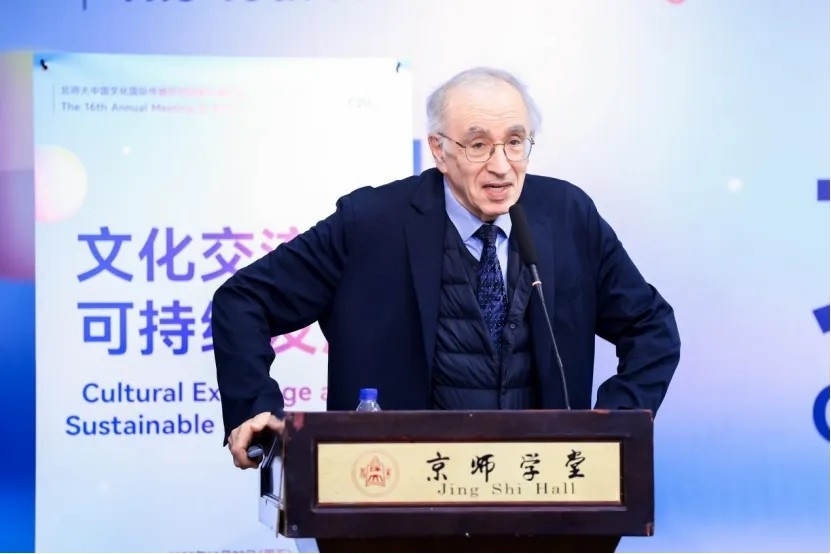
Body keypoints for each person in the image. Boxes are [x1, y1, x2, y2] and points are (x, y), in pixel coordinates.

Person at [211, 66, 681, 471]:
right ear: (439, 149)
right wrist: (255, 407)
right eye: (478, 145)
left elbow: (651, 326)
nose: (502, 166)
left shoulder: (567, 215)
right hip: (396, 491)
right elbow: (244, 300)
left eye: (515, 142)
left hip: (541, 490)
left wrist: (613, 426)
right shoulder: (371, 223)